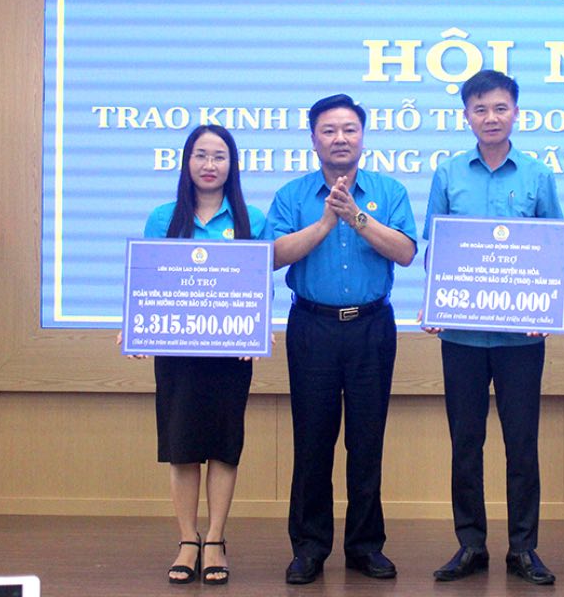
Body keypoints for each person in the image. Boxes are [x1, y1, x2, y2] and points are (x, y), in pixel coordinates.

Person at [265, 93, 417, 585]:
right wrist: (327, 220)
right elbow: (273, 255)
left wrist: (356, 215)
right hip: (312, 328)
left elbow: (407, 252)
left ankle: (365, 547)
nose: (340, 138)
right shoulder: (292, 195)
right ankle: (309, 547)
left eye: (349, 129)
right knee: (312, 441)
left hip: (372, 327)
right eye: (329, 130)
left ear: (363, 136)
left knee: (367, 441)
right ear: (313, 139)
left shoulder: (388, 191)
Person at [422, 70, 562, 585]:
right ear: (466, 116)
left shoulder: (538, 175)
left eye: (500, 108)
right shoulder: (448, 173)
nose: (490, 118)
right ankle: (470, 544)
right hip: (460, 335)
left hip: (520, 338)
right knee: (466, 442)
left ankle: (523, 548)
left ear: (516, 113)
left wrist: (544, 306)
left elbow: (552, 248)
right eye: (480, 109)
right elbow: (436, 245)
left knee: (522, 443)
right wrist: (435, 300)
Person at [122, 124, 266, 585]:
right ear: (186, 162)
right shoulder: (163, 218)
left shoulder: (251, 219)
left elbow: (258, 286)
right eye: (201, 155)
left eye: (219, 156)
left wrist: (255, 332)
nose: (209, 165)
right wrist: (138, 327)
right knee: (182, 448)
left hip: (230, 354)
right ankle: (187, 539)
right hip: (177, 353)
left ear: (232, 165)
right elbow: (148, 284)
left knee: (224, 447)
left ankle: (216, 540)